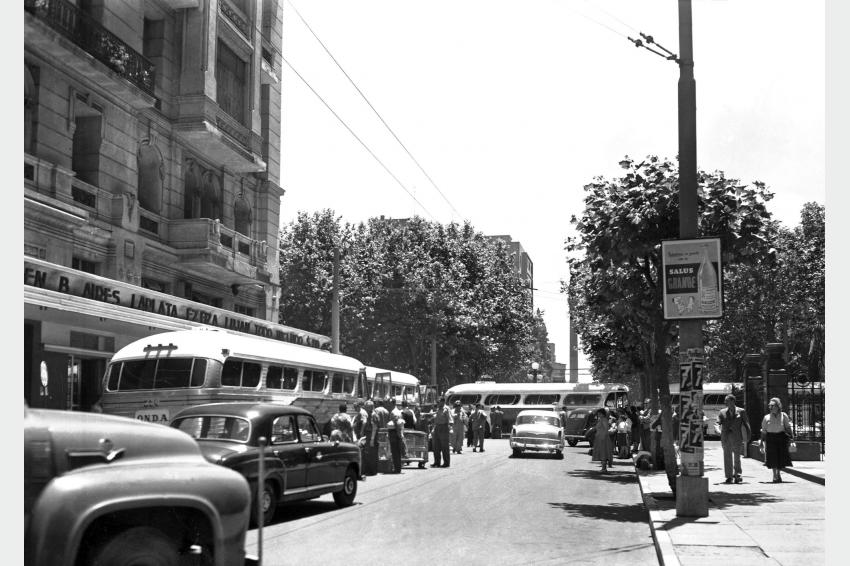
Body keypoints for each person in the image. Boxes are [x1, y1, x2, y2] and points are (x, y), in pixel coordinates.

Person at [716, 393, 751, 484]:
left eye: (727, 401)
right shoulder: (722, 412)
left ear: (732, 401)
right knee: (727, 457)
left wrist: (748, 436)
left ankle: (738, 475)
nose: (725, 403)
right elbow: (717, 422)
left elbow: (746, 424)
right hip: (726, 437)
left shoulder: (741, 411)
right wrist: (717, 429)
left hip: (737, 437)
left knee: (737, 457)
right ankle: (729, 476)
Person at [759, 397, 794, 483]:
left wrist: (792, 438)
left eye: (772, 405)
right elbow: (763, 431)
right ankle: (774, 475)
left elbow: (788, 428)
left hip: (781, 438)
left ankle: (778, 473)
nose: (770, 407)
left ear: (778, 406)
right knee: (772, 458)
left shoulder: (783, 415)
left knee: (780, 458)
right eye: (769, 405)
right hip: (770, 438)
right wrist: (761, 442)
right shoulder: (766, 417)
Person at [431, 397, 454, 467]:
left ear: (443, 402)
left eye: (439, 402)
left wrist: (450, 428)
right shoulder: (438, 409)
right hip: (437, 427)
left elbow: (450, 419)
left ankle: (446, 463)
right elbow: (436, 418)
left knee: (445, 446)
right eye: (437, 402)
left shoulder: (446, 409)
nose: (438, 403)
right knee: (436, 446)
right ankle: (437, 462)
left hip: (444, 428)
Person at [591, 407, 614, 473]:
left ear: (602, 414)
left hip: (603, 439)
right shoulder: (601, 419)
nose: (598, 414)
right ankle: (603, 468)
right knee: (602, 452)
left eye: (599, 413)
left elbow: (606, 429)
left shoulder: (603, 419)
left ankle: (604, 468)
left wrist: (603, 438)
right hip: (600, 438)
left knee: (603, 452)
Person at [360, 400, 378, 476]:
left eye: (367, 407)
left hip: (372, 435)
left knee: (371, 454)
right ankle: (370, 470)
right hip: (369, 435)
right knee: (368, 453)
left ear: (370, 407)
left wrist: (372, 439)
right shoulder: (369, 414)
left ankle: (372, 471)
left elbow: (374, 427)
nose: (365, 408)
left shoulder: (373, 415)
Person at [386, 401, 404, 473]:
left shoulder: (394, 412)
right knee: (397, 452)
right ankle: (398, 468)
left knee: (395, 452)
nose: (388, 405)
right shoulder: (398, 411)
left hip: (394, 434)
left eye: (389, 403)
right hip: (397, 434)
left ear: (392, 404)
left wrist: (398, 434)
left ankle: (397, 469)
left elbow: (396, 423)